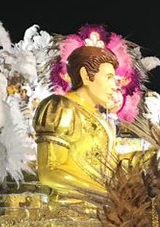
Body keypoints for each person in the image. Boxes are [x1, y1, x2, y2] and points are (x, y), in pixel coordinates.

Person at [33, 43, 122, 196]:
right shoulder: (60, 107)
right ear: (86, 76)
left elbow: (110, 163)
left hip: (103, 209)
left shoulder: (96, 115)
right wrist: (104, 193)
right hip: (71, 210)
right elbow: (50, 171)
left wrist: (152, 158)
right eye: (109, 77)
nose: (115, 86)